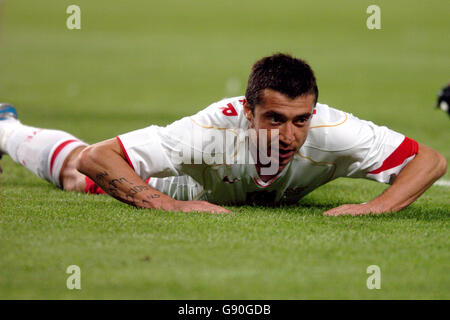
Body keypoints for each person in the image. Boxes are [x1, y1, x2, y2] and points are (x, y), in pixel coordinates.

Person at [0, 54, 446, 215]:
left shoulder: (336, 131)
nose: (290, 135)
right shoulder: (207, 132)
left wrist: (373, 207)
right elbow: (96, 157)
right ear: (248, 112)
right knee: (78, 178)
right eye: (274, 119)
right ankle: (6, 127)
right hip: (187, 182)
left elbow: (430, 160)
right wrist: (170, 205)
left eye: (301, 119)